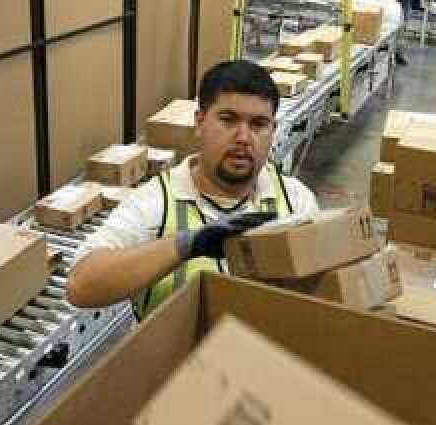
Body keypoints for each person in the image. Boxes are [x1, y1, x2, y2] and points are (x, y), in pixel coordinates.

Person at [66, 60, 319, 318]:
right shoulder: (156, 203)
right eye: (228, 120)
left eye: (258, 124)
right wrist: (185, 245)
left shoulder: (295, 201)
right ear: (200, 122)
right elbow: (81, 286)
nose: (243, 137)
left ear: (273, 130)